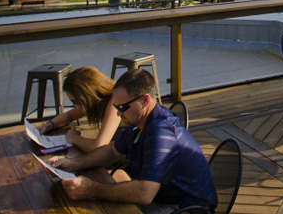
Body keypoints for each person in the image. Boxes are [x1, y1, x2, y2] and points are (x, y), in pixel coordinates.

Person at [50, 69, 217, 213]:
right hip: (161, 198)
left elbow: (144, 193)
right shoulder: (139, 123)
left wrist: (91, 189)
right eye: (116, 106)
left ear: (144, 101)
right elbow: (111, 151)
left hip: (185, 209)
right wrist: (74, 163)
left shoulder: (161, 133)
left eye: (122, 107)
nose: (119, 113)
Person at [35, 66, 121, 153]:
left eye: (75, 101)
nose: (75, 106)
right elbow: (68, 116)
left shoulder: (115, 101)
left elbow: (98, 146)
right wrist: (49, 125)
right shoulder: (95, 100)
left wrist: (75, 138)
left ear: (88, 95)